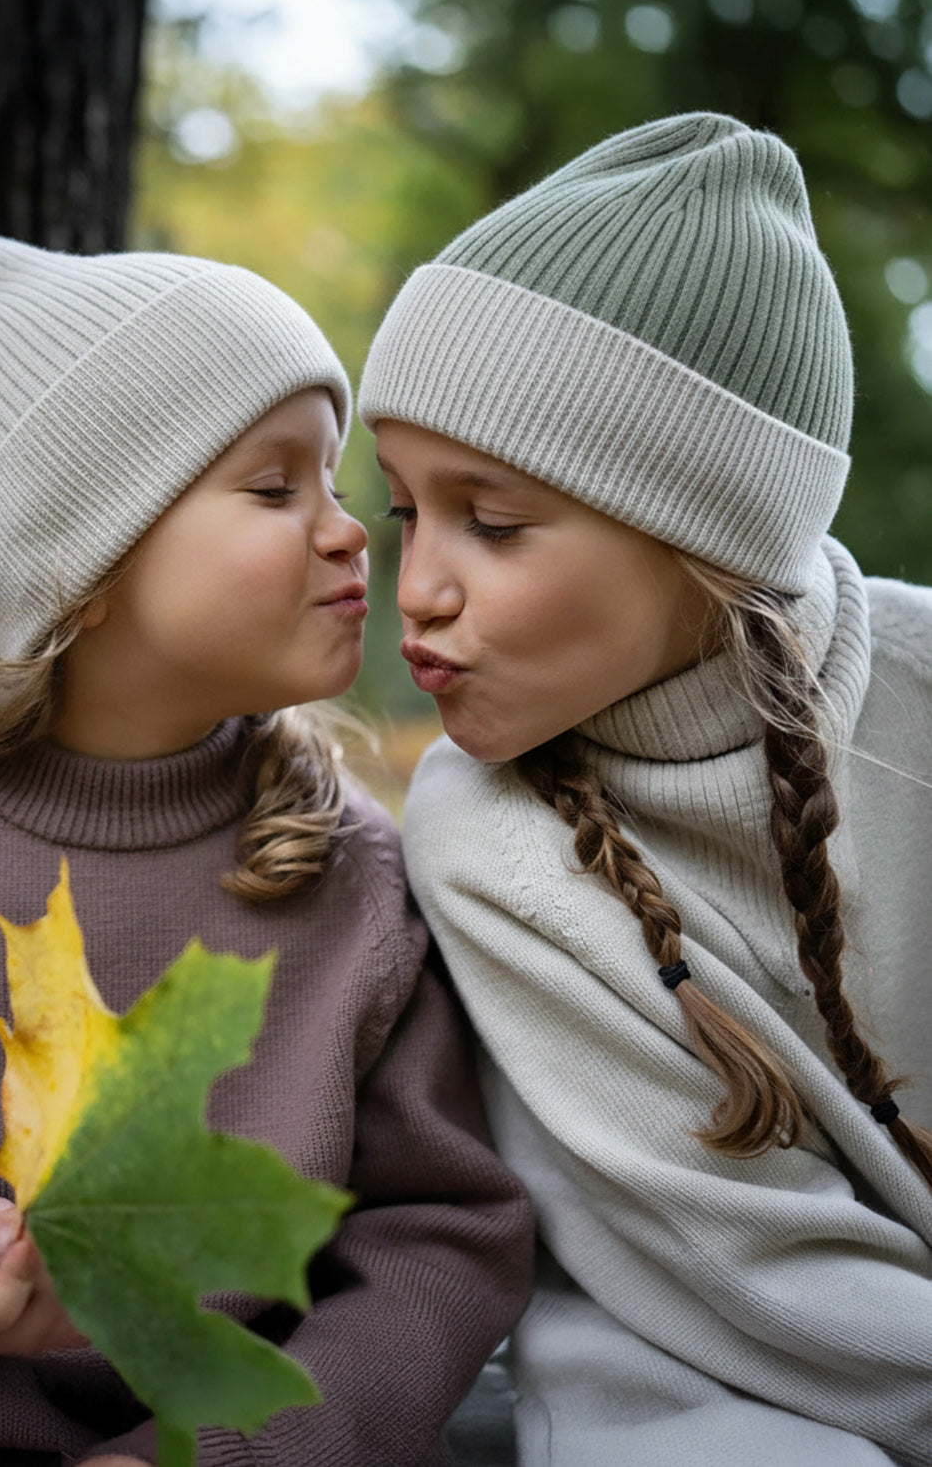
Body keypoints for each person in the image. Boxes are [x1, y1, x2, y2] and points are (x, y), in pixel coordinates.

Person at [0, 231, 533, 1466]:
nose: (352, 531)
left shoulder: (349, 875)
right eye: (273, 488)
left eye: (337, 484)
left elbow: (438, 1241)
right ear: (82, 560)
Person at [358, 111, 932, 1465]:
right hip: (703, 1376)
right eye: (406, 512)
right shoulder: (481, 834)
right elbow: (761, 1284)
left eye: (490, 523)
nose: (418, 588)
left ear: (704, 530)